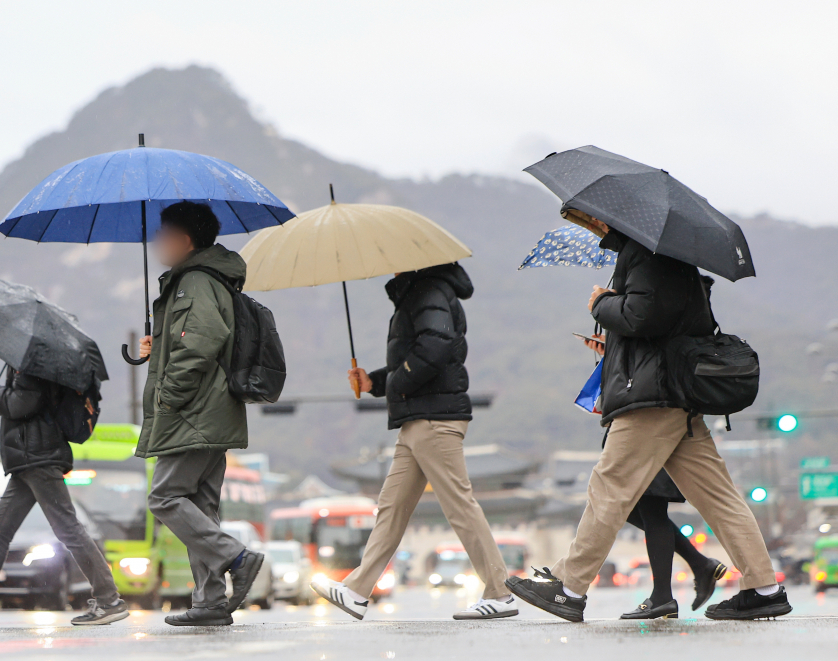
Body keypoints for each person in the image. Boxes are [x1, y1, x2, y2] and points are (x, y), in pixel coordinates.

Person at [506, 210, 791, 622]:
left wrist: (602, 303)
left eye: (594, 218)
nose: (592, 225)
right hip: (676, 394)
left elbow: (642, 316)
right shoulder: (671, 259)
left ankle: (568, 588)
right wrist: (613, 343)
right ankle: (764, 587)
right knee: (718, 496)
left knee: (611, 485)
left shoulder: (646, 255)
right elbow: (660, 324)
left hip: (654, 398)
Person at [311, 263, 518, 621]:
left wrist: (392, 384)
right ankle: (358, 590)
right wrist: (374, 382)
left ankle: (500, 592)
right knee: (391, 507)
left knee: (458, 504)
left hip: (433, 418)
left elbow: (435, 347)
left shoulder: (428, 291)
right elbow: (418, 354)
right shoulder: (419, 292)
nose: (386, 263)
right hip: (417, 419)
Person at [135, 201, 264, 627]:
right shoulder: (209, 279)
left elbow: (201, 342)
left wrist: (169, 397)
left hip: (193, 412)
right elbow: (193, 339)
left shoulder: (193, 280)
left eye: (162, 235)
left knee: (165, 497)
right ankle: (209, 601)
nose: (156, 242)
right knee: (201, 506)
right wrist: (160, 349)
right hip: (213, 411)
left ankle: (237, 557)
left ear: (184, 241)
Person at [0, 367, 129, 627]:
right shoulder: (35, 359)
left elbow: (21, 404)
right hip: (29, 458)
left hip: (38, 457)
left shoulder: (34, 361)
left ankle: (109, 600)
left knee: (68, 528)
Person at [580, 336, 730, 619]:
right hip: (649, 405)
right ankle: (698, 566)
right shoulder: (645, 305)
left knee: (650, 507)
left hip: (651, 410)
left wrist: (605, 309)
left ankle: (664, 594)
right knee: (638, 508)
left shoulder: (649, 301)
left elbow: (649, 345)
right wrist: (610, 347)